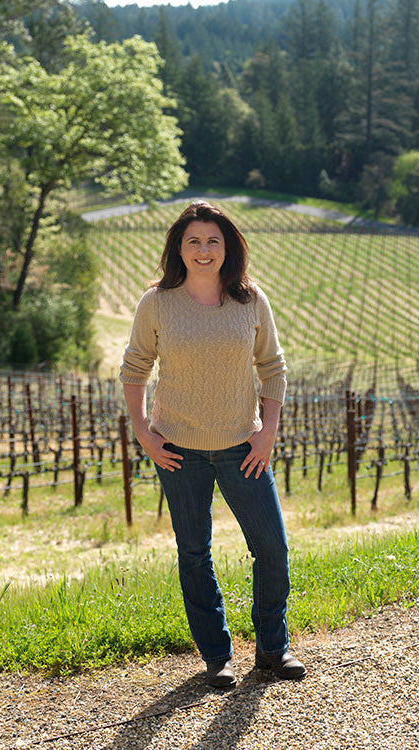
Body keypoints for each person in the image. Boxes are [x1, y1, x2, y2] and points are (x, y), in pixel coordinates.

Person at [119, 200, 305, 688]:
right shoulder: (157, 302)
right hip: (178, 449)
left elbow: (273, 365)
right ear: (179, 248)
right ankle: (217, 657)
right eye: (193, 241)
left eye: (212, 240)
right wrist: (143, 431)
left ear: (228, 247)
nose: (203, 250)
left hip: (242, 447)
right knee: (195, 552)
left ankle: (272, 649)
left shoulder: (249, 299)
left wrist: (268, 430)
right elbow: (135, 366)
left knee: (271, 547)